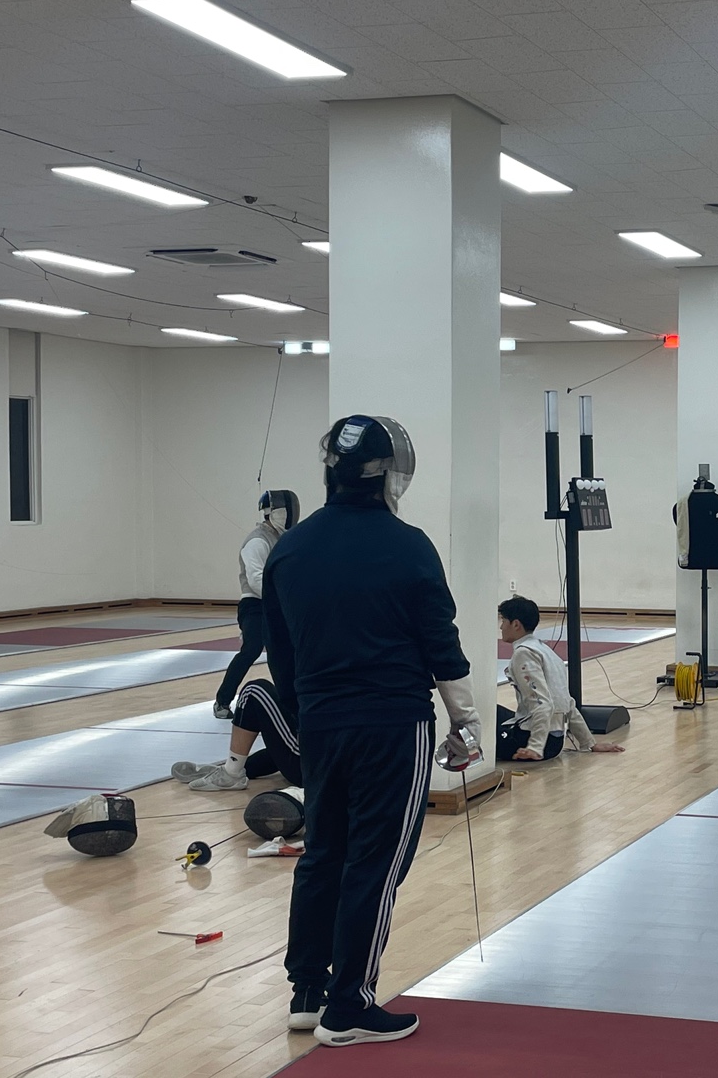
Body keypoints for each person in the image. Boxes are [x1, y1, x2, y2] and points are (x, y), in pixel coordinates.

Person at [264, 415, 482, 1047]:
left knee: (323, 852)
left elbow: (281, 653)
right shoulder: (408, 545)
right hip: (393, 724)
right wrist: (467, 720)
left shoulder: (290, 548)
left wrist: (306, 714)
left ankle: (308, 992)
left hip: (321, 724)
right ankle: (350, 1006)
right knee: (375, 863)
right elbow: (439, 640)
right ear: (390, 476)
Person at [496, 595, 625, 762]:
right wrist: (589, 743)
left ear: (515, 624)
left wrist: (535, 747)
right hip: (555, 744)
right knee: (494, 711)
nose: (501, 626)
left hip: (531, 742)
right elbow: (566, 702)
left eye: (503, 621)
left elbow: (542, 703)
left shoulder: (524, 653)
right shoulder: (545, 650)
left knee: (479, 721)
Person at [212, 490, 299, 720]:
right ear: (271, 512)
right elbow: (256, 579)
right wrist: (283, 599)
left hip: (276, 604)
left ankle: (290, 702)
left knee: (285, 651)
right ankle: (222, 701)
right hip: (254, 605)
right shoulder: (257, 541)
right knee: (252, 648)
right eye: (285, 511)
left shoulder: (283, 540)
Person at [170, 677, 302, 790]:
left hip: (308, 765)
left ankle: (232, 772)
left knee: (254, 691)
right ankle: (231, 768)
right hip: (310, 763)